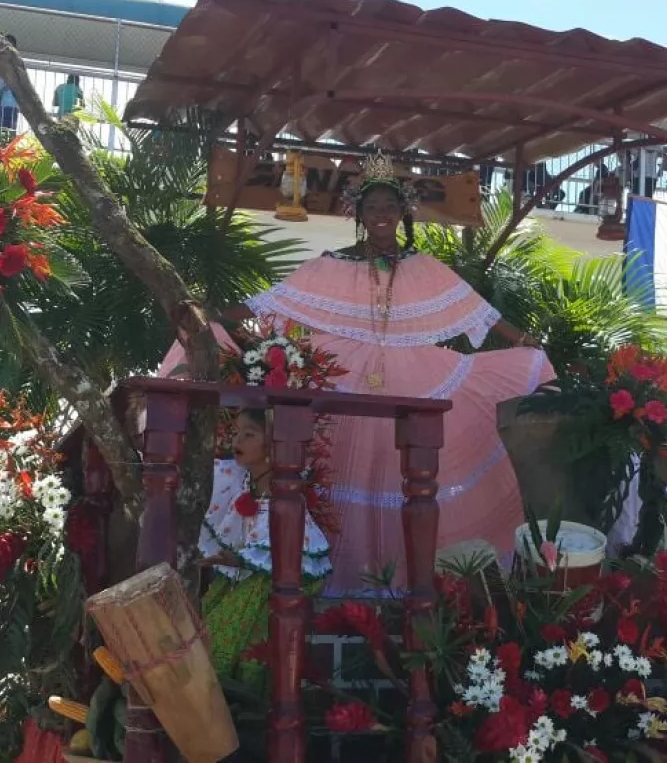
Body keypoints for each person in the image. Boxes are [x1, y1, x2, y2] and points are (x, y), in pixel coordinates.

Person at [160, 152, 553, 596]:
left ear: (402, 212)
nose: (381, 216)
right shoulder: (332, 262)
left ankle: (403, 592)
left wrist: (522, 343)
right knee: (340, 480)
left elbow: (479, 309)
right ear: (359, 215)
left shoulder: (424, 267)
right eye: (372, 208)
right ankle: (337, 590)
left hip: (415, 375)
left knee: (409, 476)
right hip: (343, 374)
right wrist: (212, 317)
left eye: (389, 208)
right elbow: (274, 301)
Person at [198, 409, 330, 681]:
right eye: (237, 432)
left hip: (262, 591)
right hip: (233, 582)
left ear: (273, 444)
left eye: (249, 434)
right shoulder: (233, 478)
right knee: (201, 642)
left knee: (236, 657)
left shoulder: (286, 499)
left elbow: (299, 558)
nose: (238, 440)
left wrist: (241, 560)